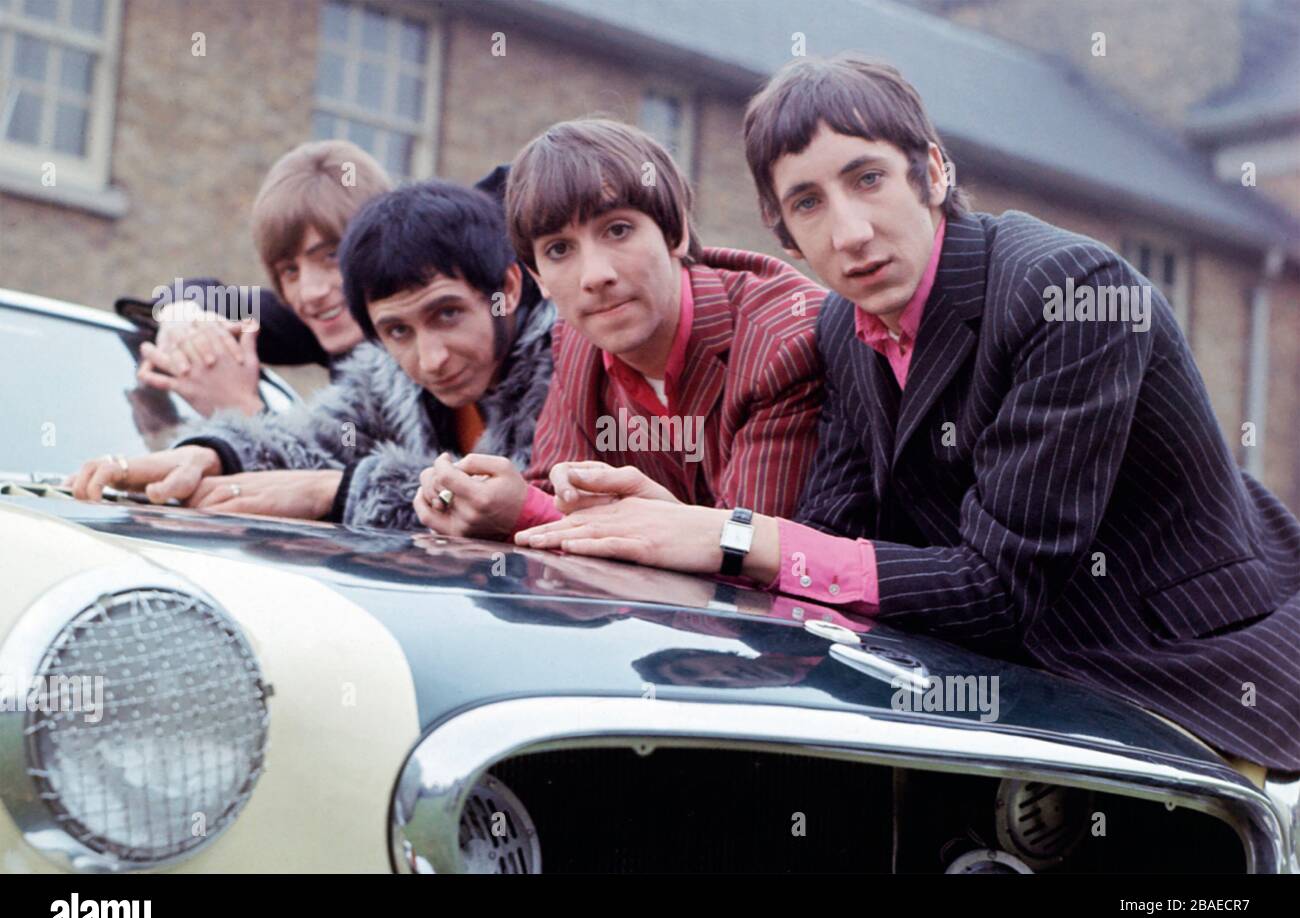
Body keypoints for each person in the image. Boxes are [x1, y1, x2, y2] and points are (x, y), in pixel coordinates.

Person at [514, 55, 1300, 777]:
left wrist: (729, 535)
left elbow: (999, 584)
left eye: (868, 180)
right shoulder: (842, 327)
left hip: (1182, 661)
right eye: (808, 204)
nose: (849, 233)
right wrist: (694, 531)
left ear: (932, 170)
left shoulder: (1070, 294)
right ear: (783, 231)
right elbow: (834, 530)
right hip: (991, 674)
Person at [413, 118, 825, 540]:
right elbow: (561, 491)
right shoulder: (576, 337)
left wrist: (525, 513)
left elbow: (745, 551)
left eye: (618, 230)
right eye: (559, 250)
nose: (594, 276)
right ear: (538, 278)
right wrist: (474, 498)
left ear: (676, 232)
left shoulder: (779, 343)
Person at [67, 178, 555, 531]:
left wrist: (334, 490)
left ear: (507, 287)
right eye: (398, 330)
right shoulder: (384, 376)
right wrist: (212, 452)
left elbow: (536, 512)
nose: (431, 360)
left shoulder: (569, 369)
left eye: (447, 314)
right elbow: (312, 440)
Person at [121, 140, 395, 418]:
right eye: (290, 270)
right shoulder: (324, 318)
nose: (311, 291)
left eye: (331, 256)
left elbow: (340, 460)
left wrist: (239, 408)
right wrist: (183, 319)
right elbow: (208, 297)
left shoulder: (427, 367)